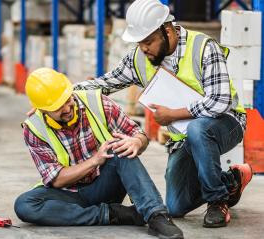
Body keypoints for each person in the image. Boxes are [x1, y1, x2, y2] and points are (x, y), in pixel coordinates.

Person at [74, 0, 253, 228]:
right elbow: (106, 83)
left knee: (199, 128)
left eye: (148, 41)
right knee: (175, 206)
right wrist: (61, 95)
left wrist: (173, 115)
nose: (144, 48)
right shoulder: (139, 58)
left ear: (167, 31)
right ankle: (232, 181)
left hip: (226, 123)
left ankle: (217, 202)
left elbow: (220, 102)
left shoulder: (204, 48)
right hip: (184, 137)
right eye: (140, 43)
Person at [14, 68, 184, 239]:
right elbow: (56, 180)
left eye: (67, 100)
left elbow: (138, 134)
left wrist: (137, 141)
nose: (67, 108)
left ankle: (157, 216)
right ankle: (113, 214)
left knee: (120, 148)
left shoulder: (97, 103)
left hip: (104, 186)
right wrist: (95, 160)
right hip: (68, 194)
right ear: (42, 110)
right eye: (57, 107)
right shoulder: (34, 128)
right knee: (25, 205)